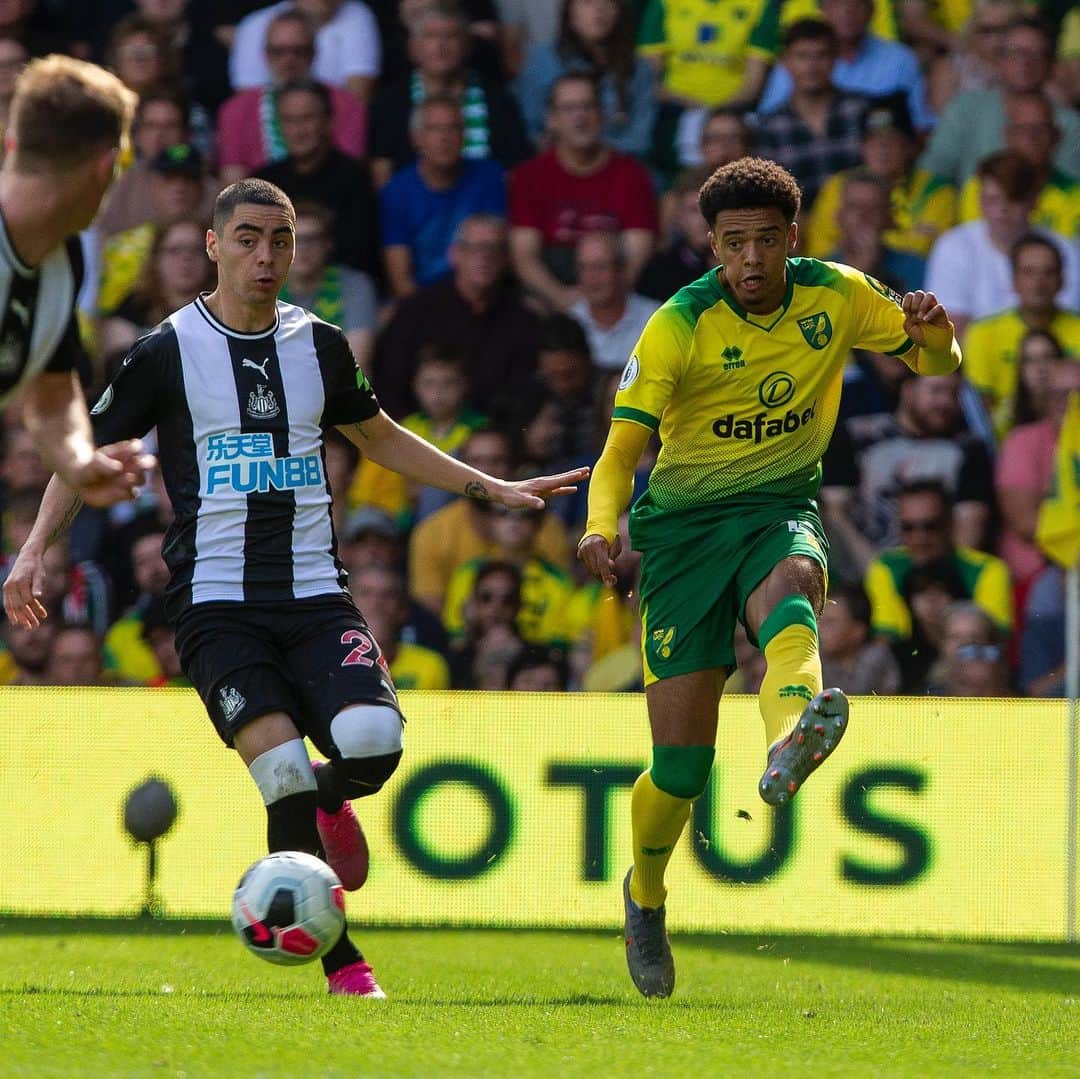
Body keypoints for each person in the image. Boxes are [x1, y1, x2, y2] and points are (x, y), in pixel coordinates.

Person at [3, 178, 586, 998]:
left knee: (375, 743)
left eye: (280, 240)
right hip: (215, 603)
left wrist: (492, 486)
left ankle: (332, 798)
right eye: (247, 238)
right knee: (278, 771)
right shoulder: (167, 349)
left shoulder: (321, 343)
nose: (266, 255)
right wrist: (33, 550)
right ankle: (345, 964)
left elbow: (378, 437)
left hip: (315, 595)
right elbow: (89, 450)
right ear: (212, 246)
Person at [576, 157, 962, 998]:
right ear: (711, 246)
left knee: (794, 589)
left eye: (765, 240)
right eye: (733, 243)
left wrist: (935, 333)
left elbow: (938, 366)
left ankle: (792, 735)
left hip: (778, 507)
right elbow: (617, 459)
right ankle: (644, 896)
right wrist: (602, 525)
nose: (750, 259)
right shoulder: (678, 325)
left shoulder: (839, 293)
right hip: (680, 538)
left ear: (793, 237)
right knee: (679, 769)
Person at [0, 55, 150, 509]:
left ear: (11, 143)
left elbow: (51, 390)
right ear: (107, 167)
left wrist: (79, 460)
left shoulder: (62, 260)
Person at [508, 72, 657, 312]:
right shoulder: (529, 177)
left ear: (602, 114)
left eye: (588, 106)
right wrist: (565, 301)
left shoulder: (632, 174)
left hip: (616, 296)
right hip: (553, 299)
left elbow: (637, 255)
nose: (580, 117)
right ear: (551, 119)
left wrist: (602, 302)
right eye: (568, 108)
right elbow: (524, 258)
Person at [373, 213, 541, 417]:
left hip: (494, 438)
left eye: (493, 249)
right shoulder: (416, 311)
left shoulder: (523, 319)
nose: (484, 257)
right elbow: (389, 384)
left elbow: (524, 394)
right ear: (455, 254)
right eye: (474, 248)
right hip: (421, 434)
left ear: (506, 259)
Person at [368, 0, 529, 187]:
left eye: (450, 36)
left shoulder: (499, 102)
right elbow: (382, 179)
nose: (440, 45)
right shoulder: (389, 105)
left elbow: (514, 172)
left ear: (468, 46)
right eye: (430, 37)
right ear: (412, 48)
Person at [924, 150, 1079, 337]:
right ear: (979, 199)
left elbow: (1067, 324)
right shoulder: (952, 247)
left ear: (1035, 200)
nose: (1002, 209)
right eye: (992, 200)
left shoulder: (1063, 249)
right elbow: (949, 331)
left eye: (1013, 200)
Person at [919, 14, 1080, 187]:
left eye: (1036, 54)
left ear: (1050, 64)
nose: (1025, 62)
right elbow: (933, 171)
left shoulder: (1070, 125)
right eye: (1016, 53)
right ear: (999, 60)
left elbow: (1070, 189)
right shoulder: (964, 109)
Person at [217, 7, 368, 186]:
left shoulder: (347, 105)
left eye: (299, 51)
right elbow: (234, 186)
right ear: (265, 55)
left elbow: (347, 175)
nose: (289, 61)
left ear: (314, 53)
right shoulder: (235, 110)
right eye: (278, 52)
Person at [379, 95, 506, 298]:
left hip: (483, 294)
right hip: (423, 302)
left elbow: (498, 254)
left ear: (464, 135)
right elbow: (401, 280)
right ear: (416, 138)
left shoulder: (489, 177)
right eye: (434, 129)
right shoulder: (397, 191)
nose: (444, 138)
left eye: (453, 128)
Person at [863, 479, 1013, 649]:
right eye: (908, 527)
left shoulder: (987, 570)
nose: (920, 538)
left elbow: (992, 642)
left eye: (930, 526)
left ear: (950, 523)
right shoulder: (886, 567)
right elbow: (889, 640)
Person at [255, 78, 380, 280]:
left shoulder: (354, 179)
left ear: (328, 122)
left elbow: (361, 256)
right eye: (289, 120)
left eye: (307, 119)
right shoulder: (263, 183)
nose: (298, 131)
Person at [962, 235, 1080, 438]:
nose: (1038, 282)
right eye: (1029, 272)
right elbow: (981, 413)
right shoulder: (983, 334)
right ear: (1013, 280)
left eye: (1048, 273)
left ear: (1062, 280)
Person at [757, 0, 932, 131]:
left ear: (872, 11)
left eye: (856, 4)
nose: (847, 11)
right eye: (837, 3)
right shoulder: (800, 58)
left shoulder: (900, 59)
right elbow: (768, 119)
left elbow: (920, 126)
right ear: (822, 10)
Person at [752, 19, 869, 211]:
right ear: (785, 62)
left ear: (835, 59)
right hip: (800, 232)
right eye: (802, 56)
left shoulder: (860, 110)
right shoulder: (769, 127)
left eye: (821, 55)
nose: (812, 66)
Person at [516, 0, 655, 157]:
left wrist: (598, 160)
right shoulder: (542, 60)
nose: (599, 9)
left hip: (620, 165)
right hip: (559, 164)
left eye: (609, 3)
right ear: (570, 12)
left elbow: (640, 136)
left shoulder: (638, 67)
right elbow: (530, 126)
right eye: (588, 2)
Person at [957, 92, 1078, 241]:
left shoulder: (1076, 194)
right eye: (1021, 129)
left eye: (1040, 129)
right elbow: (981, 247)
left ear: (1056, 136)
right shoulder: (979, 187)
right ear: (1008, 136)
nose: (1031, 138)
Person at [98, 217, 217, 363]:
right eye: (175, 250)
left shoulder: (224, 311)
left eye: (196, 250)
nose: (186, 258)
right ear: (157, 259)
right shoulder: (135, 307)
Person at [281, 200, 377, 373]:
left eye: (312, 239)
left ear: (328, 244)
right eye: (294, 239)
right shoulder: (263, 287)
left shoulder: (355, 286)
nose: (303, 249)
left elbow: (356, 363)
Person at [229, 0, 382, 100]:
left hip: (329, 134)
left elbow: (357, 100)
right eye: (278, 51)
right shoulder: (254, 25)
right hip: (269, 135)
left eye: (300, 51)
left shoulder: (357, 14)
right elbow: (247, 105)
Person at [570, 231, 659, 372]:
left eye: (600, 267)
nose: (592, 278)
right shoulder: (571, 321)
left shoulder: (655, 319)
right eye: (584, 268)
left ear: (621, 270)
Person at [817, 580, 901, 695]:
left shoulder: (876, 658)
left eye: (830, 622)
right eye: (820, 621)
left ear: (858, 631)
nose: (820, 629)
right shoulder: (816, 659)